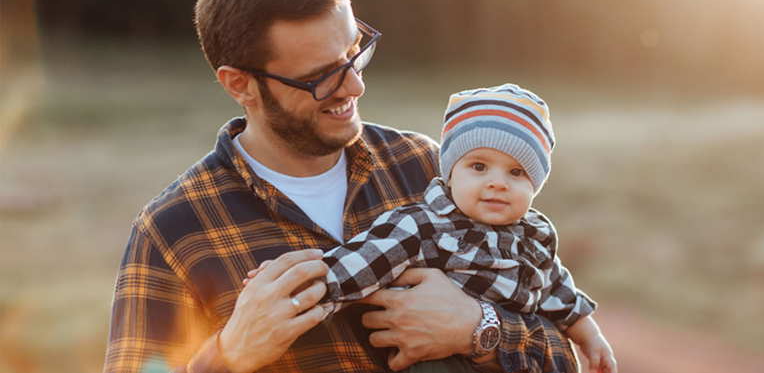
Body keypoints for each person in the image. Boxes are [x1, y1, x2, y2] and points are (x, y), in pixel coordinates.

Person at [104, 0, 581, 372]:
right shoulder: (173, 233)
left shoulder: (429, 168)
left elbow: (568, 351)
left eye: (354, 51)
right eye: (320, 76)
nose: (354, 84)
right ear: (240, 84)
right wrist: (228, 356)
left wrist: (480, 328)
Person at [246, 84, 617, 373]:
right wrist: (296, 287)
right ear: (450, 171)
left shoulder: (536, 235)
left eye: (516, 172)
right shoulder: (424, 224)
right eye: (479, 166)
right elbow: (359, 264)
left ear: (535, 185)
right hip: (437, 361)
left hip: (505, 358)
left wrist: (591, 336)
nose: (497, 183)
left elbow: (558, 290)